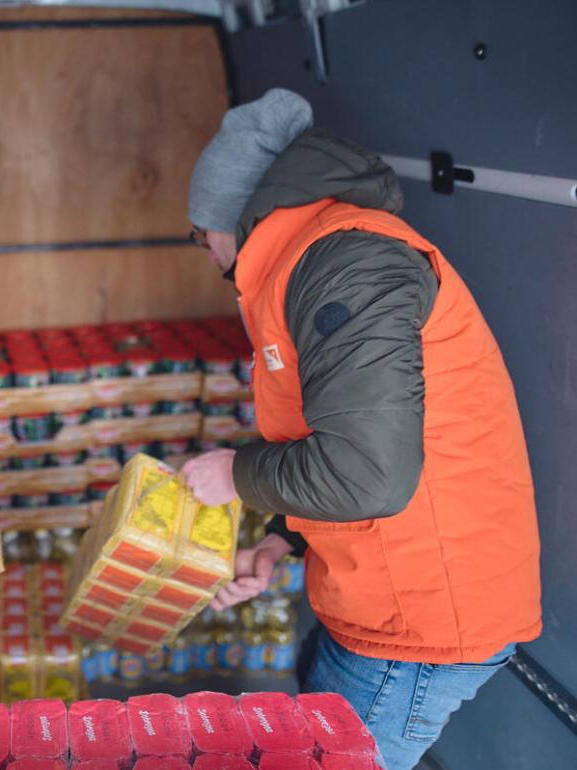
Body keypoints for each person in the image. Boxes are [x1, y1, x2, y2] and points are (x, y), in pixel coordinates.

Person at [181, 89, 541, 770]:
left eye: (199, 236)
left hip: (419, 622)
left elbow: (366, 472)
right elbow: (338, 430)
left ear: (230, 216)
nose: (203, 255)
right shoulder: (306, 264)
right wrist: (280, 544)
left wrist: (234, 474)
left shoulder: (346, 264)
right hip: (382, 597)